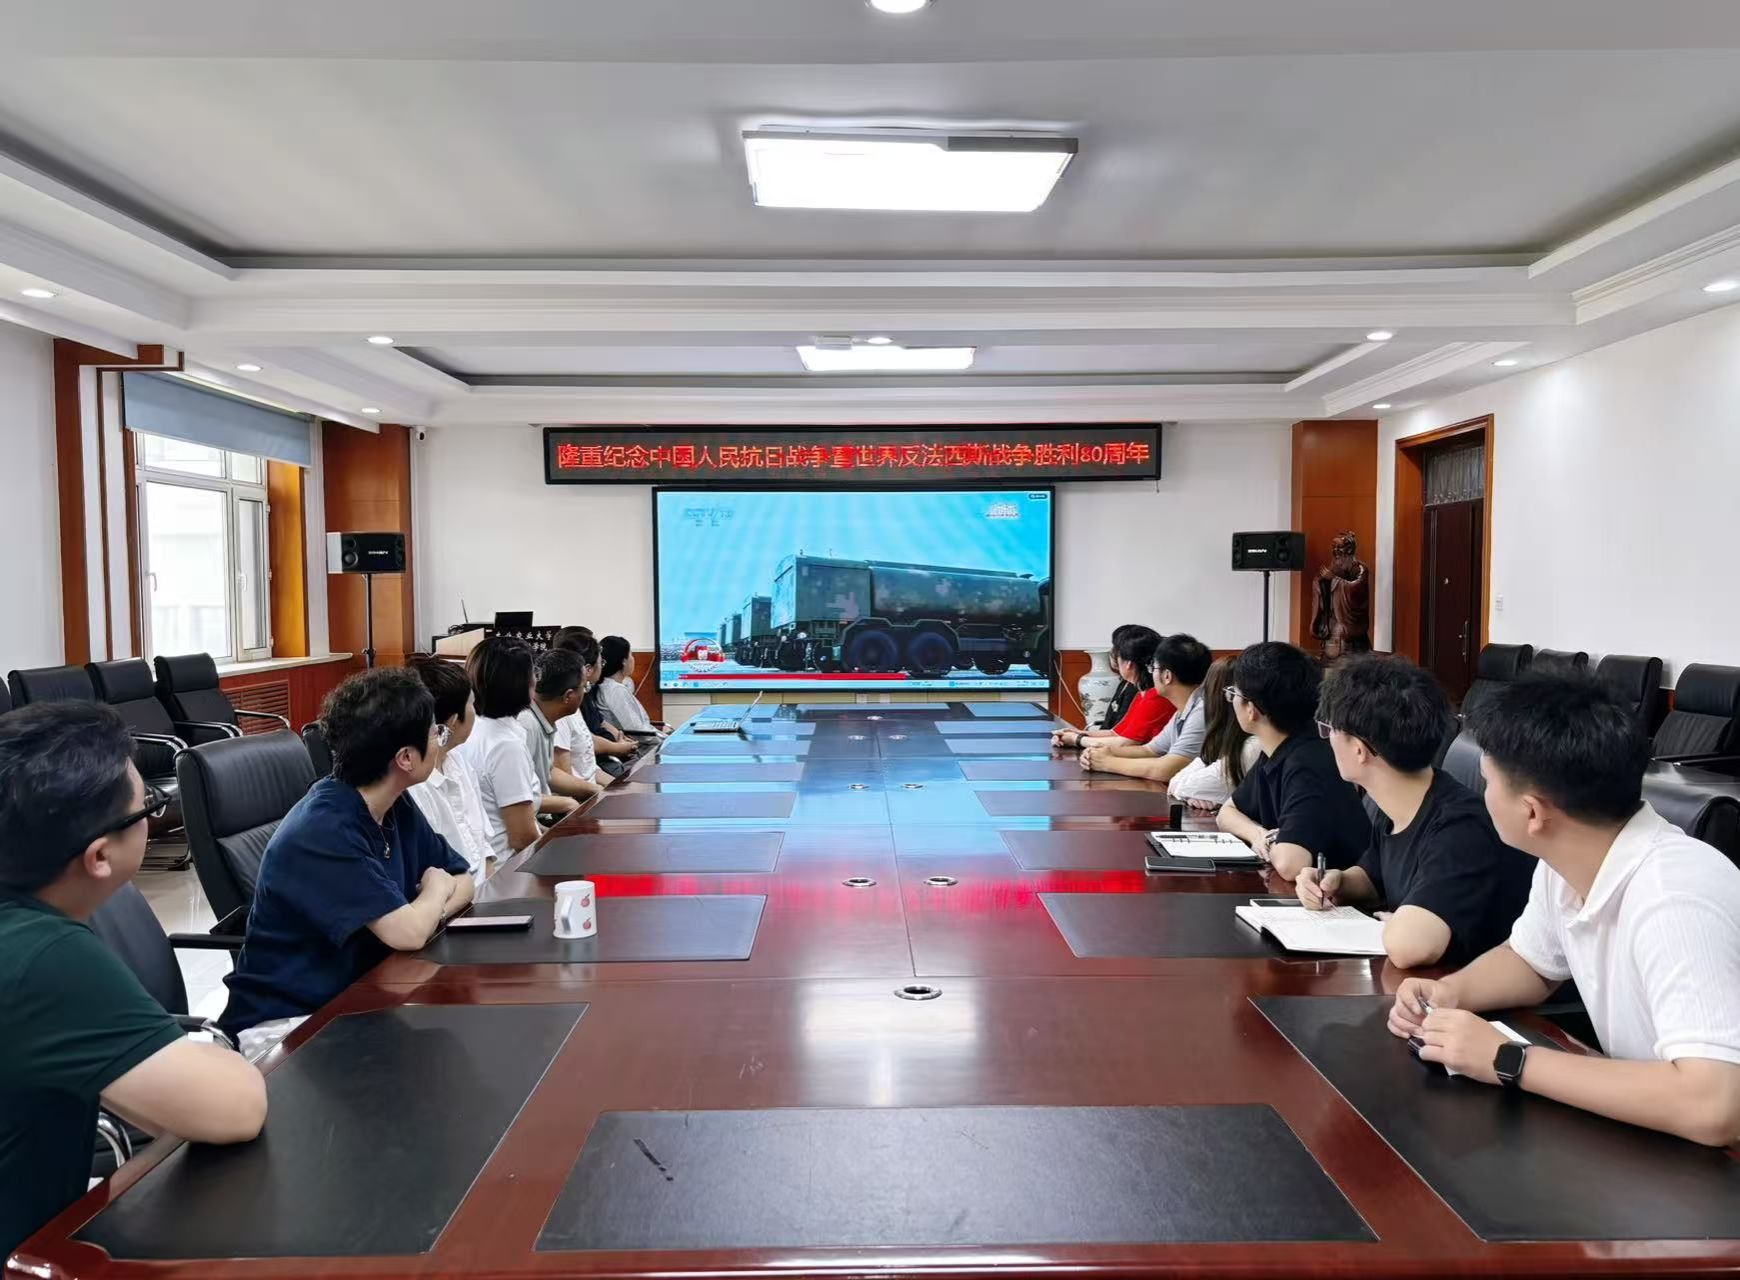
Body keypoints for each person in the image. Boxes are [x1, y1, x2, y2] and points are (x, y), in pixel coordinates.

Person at [1389, 676, 1740, 1147]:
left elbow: (1714, 1105)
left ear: (1533, 813)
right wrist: (1450, 992)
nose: (1481, 794)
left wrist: (1508, 1058)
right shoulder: (1568, 860)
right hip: (1652, 1139)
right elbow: (1530, 961)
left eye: (1488, 783)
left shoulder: (1673, 897)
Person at [0, 703, 266, 1256]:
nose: (152, 817)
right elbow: (236, 1107)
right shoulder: (45, 956)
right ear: (100, 856)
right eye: (148, 807)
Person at [219, 669, 475, 1054]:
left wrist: (427, 908)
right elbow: (408, 932)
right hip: (287, 1027)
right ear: (405, 758)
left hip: (361, 995)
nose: (440, 742)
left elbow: (463, 878)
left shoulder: (394, 802)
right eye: (434, 734)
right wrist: (436, 890)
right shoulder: (323, 830)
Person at [1296, 655, 1532, 969]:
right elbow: (1374, 877)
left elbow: (1412, 947)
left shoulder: (1460, 826)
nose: (1328, 741)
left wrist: (1400, 927)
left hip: (1478, 993)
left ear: (1359, 749)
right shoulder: (1398, 804)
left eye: (1330, 731)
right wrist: (1336, 882)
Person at [1217, 641, 1370, 880]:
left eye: (1233, 694)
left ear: (1251, 709)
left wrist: (1270, 843)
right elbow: (1226, 813)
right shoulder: (1278, 749)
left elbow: (1291, 864)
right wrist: (1259, 835)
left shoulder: (1308, 762)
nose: (1231, 700)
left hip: (1340, 897)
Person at [455, 636, 576, 857]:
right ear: (520, 684)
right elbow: (522, 838)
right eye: (533, 673)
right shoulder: (506, 747)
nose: (536, 680)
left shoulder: (475, 726)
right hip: (508, 864)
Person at [1079, 633, 1213, 783]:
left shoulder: (1201, 711)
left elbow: (1167, 769)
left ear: (1167, 676)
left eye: (1153, 668)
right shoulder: (1184, 709)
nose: (1151, 673)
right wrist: (1102, 752)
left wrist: (1106, 762)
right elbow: (1150, 750)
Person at [406, 655, 492, 885]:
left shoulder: (458, 763)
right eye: (472, 704)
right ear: (453, 721)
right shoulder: (414, 788)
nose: (476, 712)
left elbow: (484, 848)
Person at [1053, 626, 1173, 750]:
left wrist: (1076, 740)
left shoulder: (1156, 697)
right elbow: (1115, 733)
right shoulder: (1142, 694)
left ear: (1128, 664)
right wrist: (1075, 733)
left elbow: (1125, 743)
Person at [1167, 655, 1261, 810]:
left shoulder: (1254, 745)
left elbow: (1183, 786)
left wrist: (1190, 792)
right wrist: (1192, 793)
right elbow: (1176, 782)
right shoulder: (1223, 740)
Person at [524, 647, 604, 801]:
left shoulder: (544, 717)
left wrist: (595, 789)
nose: (585, 692)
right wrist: (568, 804)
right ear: (568, 696)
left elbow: (548, 772)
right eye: (584, 687)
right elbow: (521, 798)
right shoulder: (527, 726)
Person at [549, 630, 608, 795]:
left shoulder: (575, 704)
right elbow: (567, 785)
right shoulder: (562, 711)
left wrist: (619, 787)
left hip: (591, 792)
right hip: (580, 800)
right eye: (601, 662)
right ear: (586, 670)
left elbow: (588, 767)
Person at [593, 635, 668, 736]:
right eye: (631, 655)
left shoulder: (609, 686)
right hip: (638, 744)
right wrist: (665, 739)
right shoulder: (616, 690)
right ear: (624, 662)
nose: (633, 659)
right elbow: (640, 732)